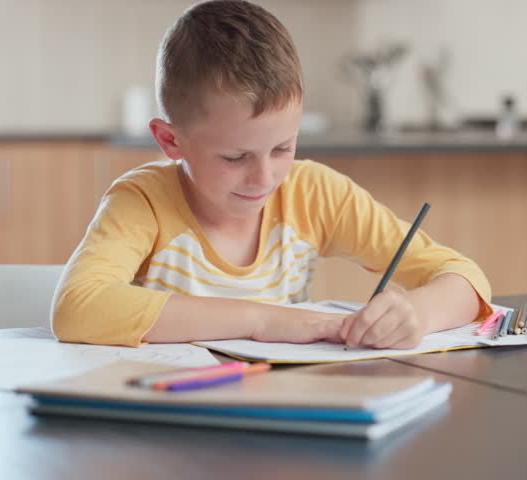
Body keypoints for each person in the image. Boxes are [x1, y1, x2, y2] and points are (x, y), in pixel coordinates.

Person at [51, 0, 492, 350]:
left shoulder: (314, 193)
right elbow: (78, 307)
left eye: (282, 148)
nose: (264, 178)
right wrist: (263, 319)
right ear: (171, 142)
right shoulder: (142, 201)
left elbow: (465, 278)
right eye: (234, 157)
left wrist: (415, 314)